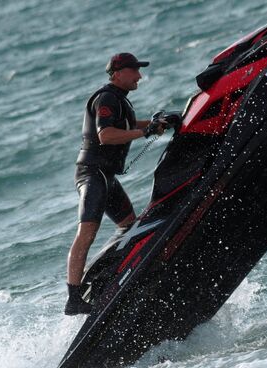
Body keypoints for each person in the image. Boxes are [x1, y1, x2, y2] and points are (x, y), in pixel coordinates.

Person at [65, 53, 167, 315]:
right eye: (135, 71)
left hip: (105, 177)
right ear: (118, 73)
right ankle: (74, 298)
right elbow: (107, 135)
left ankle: (105, 272)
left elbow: (129, 125)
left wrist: (155, 125)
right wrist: (144, 132)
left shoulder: (120, 100)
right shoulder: (107, 98)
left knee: (127, 226)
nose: (139, 76)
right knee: (86, 232)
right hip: (92, 174)